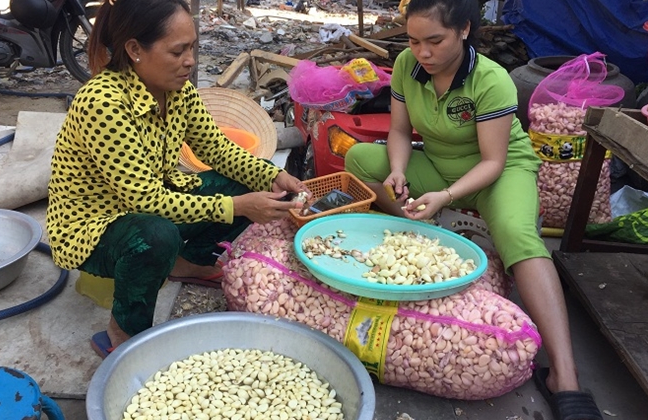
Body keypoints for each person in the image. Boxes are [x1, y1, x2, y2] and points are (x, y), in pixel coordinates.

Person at [344, 0, 603, 419]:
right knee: (360, 159)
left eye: (434, 41)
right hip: (440, 166)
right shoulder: (409, 66)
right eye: (413, 41)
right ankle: (425, 233)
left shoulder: (491, 79)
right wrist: (396, 170)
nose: (422, 53)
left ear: (464, 30)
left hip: (497, 172)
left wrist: (445, 197)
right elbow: (397, 130)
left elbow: (493, 161)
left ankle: (565, 376)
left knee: (518, 237)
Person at [46, 0, 308, 356]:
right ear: (135, 50)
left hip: (154, 199)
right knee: (156, 235)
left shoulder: (178, 90)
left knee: (249, 182)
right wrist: (235, 207)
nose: (190, 61)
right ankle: (122, 334)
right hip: (95, 224)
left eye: (192, 48)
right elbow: (145, 201)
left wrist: (274, 175)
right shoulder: (103, 102)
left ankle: (190, 262)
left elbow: (217, 149)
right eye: (178, 51)